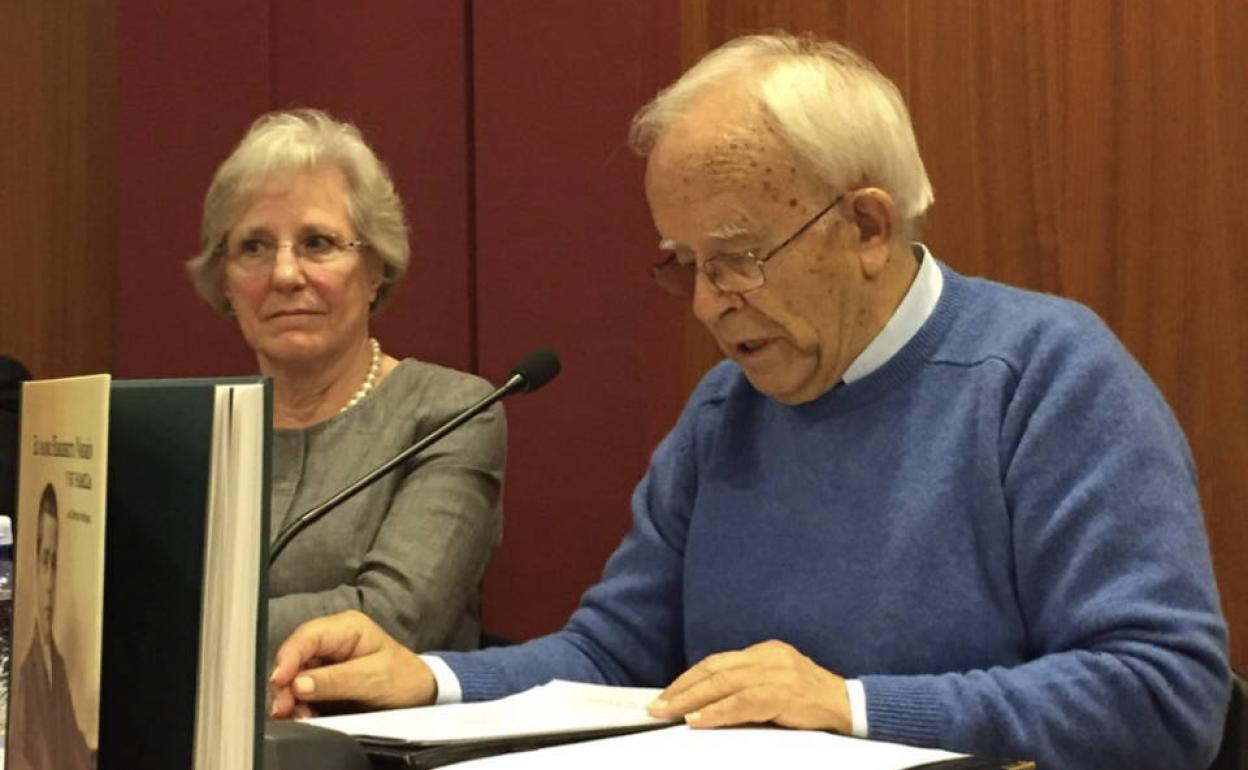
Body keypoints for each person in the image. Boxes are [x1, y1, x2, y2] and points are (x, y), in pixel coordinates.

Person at [269, 36, 1230, 769]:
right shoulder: (729, 407)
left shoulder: (1047, 378)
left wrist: (852, 706)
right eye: (683, 265)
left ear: (864, 226)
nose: (706, 303)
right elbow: (616, 652)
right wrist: (428, 678)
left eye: (737, 259)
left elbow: (1165, 691)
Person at [186, 109, 506, 664]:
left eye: (317, 242)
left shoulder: (448, 414)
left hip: (368, 742)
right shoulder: (194, 425)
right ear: (226, 280)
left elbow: (393, 617)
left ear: (376, 265)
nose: (285, 274)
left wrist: (169, 625)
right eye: (254, 247)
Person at [8, 484, 93, 770]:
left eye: (55, 563)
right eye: (44, 560)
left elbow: (74, 742)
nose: (49, 582)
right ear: (33, 564)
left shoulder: (56, 664)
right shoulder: (25, 675)